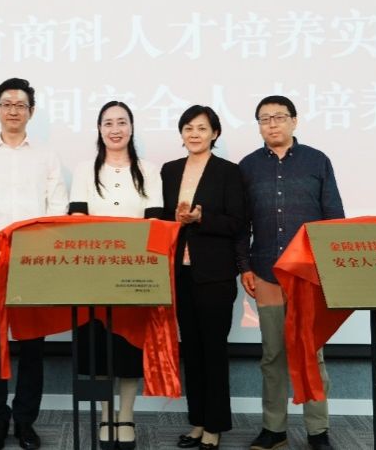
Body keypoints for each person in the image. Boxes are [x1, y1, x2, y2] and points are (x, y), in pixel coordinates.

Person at [0, 78, 69, 450]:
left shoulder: (46, 155)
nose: (13, 111)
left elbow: (58, 208)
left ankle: (25, 421)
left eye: (20, 105)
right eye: (6, 104)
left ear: (31, 112)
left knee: (32, 341)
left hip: (33, 251)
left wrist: (50, 255)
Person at [239, 95, 344, 450]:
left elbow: (333, 219)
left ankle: (318, 430)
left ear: (294, 121)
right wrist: (245, 267)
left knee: (311, 353)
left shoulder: (317, 161)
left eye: (279, 117)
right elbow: (242, 225)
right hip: (266, 270)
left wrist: (330, 269)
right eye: (264, 118)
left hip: (307, 275)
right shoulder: (248, 167)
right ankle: (274, 429)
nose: (272, 124)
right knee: (272, 355)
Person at [68, 101, 163, 450]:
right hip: (94, 273)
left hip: (134, 273)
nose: (115, 129)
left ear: (132, 128)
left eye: (122, 122)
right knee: (100, 347)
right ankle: (106, 414)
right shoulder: (84, 170)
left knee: (129, 347)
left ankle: (126, 415)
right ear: (99, 129)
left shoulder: (148, 170)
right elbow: (76, 218)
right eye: (108, 123)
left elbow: (155, 220)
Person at [160, 105, 249, 450]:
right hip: (180, 274)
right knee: (192, 351)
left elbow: (238, 223)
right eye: (188, 128)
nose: (194, 134)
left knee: (213, 350)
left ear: (215, 133)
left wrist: (201, 219)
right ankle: (197, 421)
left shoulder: (229, 172)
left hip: (215, 276)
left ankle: (215, 426)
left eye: (201, 128)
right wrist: (175, 220)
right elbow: (162, 220)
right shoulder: (170, 170)